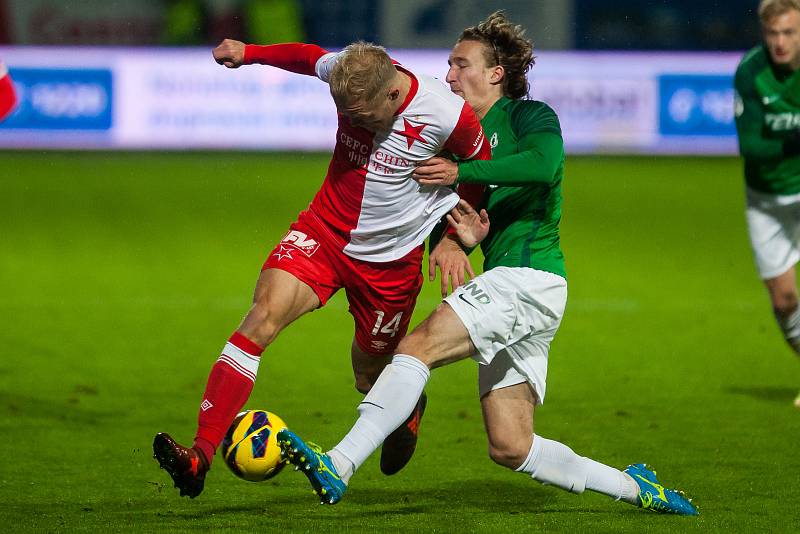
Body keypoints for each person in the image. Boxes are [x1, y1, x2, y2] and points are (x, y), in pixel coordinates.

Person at [276, 12, 699, 516]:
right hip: (516, 288)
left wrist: (462, 171)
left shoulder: (528, 117)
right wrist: (454, 242)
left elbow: (543, 167)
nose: (449, 75)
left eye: (461, 64)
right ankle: (638, 488)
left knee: (416, 346)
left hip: (530, 278)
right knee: (511, 446)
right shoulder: (450, 134)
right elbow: (462, 219)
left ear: (496, 73)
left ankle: (339, 462)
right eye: (448, 65)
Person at [152, 38, 491, 498]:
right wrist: (248, 52)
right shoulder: (350, 71)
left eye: (360, 115)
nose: (351, 122)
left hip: (390, 262)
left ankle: (406, 412)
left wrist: (453, 240)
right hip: (324, 234)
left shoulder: (447, 114)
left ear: (392, 95)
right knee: (260, 318)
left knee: (369, 375)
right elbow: (307, 56)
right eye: (345, 114)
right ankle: (200, 455)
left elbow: (481, 169)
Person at [735, 0, 800, 408]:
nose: (780, 42)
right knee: (784, 301)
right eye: (773, 33)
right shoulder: (750, 72)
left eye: (789, 33)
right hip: (765, 199)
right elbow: (752, 146)